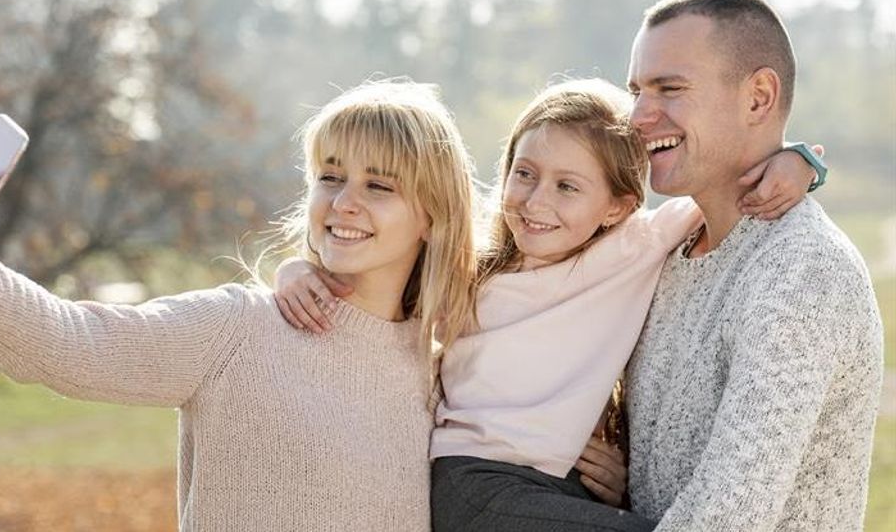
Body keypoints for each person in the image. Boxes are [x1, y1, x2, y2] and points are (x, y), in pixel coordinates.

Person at [0, 80, 479, 531]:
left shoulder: (448, 371)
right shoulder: (241, 329)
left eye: (379, 187)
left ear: (432, 215)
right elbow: (69, 344)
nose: (344, 203)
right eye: (330, 177)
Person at [274, 78, 819, 530]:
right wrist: (295, 268)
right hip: (476, 486)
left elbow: (728, 188)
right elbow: (372, 276)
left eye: (567, 187)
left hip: (557, 485)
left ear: (617, 207)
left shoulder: (633, 249)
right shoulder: (471, 267)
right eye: (525, 173)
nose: (535, 202)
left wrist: (801, 162)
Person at [621, 0, 884, 531]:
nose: (640, 115)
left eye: (669, 88)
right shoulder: (671, 249)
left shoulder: (802, 272)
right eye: (637, 91)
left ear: (759, 98)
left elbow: (727, 518)